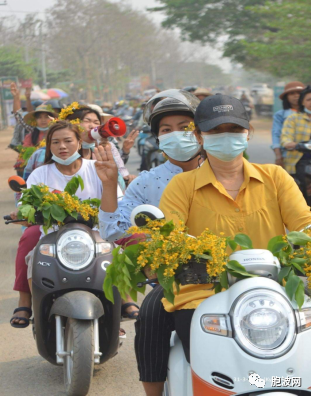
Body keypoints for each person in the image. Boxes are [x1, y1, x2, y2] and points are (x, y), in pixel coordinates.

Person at [135, 94, 311, 396]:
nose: (225, 137)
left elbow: (304, 226)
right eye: (216, 131)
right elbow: (169, 237)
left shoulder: (276, 177)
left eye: (233, 129)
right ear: (200, 136)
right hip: (200, 289)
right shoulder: (182, 185)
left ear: (248, 132)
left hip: (274, 287)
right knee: (150, 315)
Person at [9, 120, 124, 328]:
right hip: (53, 238)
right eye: (55, 142)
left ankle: (121, 304)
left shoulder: (96, 168)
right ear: (49, 146)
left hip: (97, 236)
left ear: (79, 143)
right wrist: (23, 212)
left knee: (119, 254)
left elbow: (117, 207)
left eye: (68, 141)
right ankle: (34, 306)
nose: (62, 146)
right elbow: (26, 206)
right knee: (32, 257)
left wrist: (109, 183)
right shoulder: (40, 174)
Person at [96, 89, 202, 243]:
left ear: (200, 133)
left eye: (184, 127)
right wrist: (109, 185)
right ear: (159, 138)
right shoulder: (144, 184)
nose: (176, 135)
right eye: (166, 130)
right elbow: (112, 232)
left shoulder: (220, 175)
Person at [281, 85, 311, 203]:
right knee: (300, 190)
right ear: (302, 102)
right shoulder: (293, 119)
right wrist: (291, 144)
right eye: (308, 99)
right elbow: (285, 138)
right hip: (299, 161)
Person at [272, 81, 305, 167]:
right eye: (292, 93)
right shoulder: (281, 115)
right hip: (288, 154)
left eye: (299, 93)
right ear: (286, 97)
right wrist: (278, 155)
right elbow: (276, 135)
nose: (296, 95)